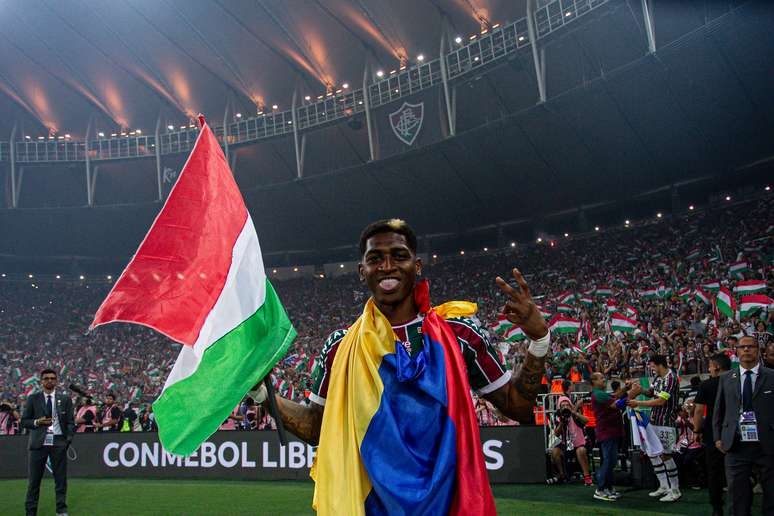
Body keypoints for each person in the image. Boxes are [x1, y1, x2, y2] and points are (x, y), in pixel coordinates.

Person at [252, 219, 549, 514]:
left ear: (416, 266)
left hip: (449, 505)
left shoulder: (460, 334)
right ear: (361, 271)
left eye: (399, 256)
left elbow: (518, 407)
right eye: (375, 259)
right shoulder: (340, 346)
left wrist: (539, 340)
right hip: (372, 507)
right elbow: (318, 427)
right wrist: (263, 395)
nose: (387, 266)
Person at [713, 335, 774, 516]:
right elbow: (719, 409)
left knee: (771, 494)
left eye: (751, 346)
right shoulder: (726, 378)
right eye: (742, 347)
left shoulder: (771, 376)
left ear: (758, 350)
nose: (746, 350)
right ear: (737, 351)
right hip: (736, 444)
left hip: (767, 444)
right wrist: (717, 437)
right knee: (737, 497)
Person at [627, 354, 682, 502]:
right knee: (653, 453)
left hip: (666, 422)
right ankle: (664, 486)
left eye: (652, 366)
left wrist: (638, 403)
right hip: (654, 421)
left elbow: (661, 401)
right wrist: (640, 390)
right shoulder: (658, 378)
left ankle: (675, 490)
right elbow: (651, 393)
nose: (651, 369)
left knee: (666, 454)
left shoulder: (671, 379)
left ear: (659, 365)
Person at [20, 368, 74, 516]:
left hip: (58, 441)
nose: (49, 380)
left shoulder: (65, 399)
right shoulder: (33, 398)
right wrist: (38, 422)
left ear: (56, 380)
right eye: (46, 378)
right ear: (41, 381)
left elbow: (70, 422)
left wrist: (67, 440)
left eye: (52, 378)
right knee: (34, 481)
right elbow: (24, 421)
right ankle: (31, 512)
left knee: (61, 480)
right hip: (38, 442)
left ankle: (61, 510)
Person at [692, 352, 730, 516]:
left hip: (714, 433)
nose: (708, 368)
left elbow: (699, 411)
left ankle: (717, 507)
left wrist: (696, 430)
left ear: (716, 366)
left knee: (714, 471)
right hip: (736, 431)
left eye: (710, 365)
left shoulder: (706, 385)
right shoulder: (737, 381)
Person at [589, 372, 638, 501]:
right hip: (607, 431)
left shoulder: (600, 394)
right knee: (608, 461)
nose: (604, 380)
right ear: (593, 381)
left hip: (611, 431)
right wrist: (633, 393)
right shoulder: (598, 394)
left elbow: (615, 396)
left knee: (611, 461)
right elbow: (616, 404)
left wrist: (627, 389)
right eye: (601, 378)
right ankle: (600, 489)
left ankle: (608, 488)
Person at [547, 395, 592, 486]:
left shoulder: (575, 414)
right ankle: (562, 474)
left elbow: (586, 420)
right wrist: (562, 422)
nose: (565, 407)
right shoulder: (559, 417)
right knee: (555, 452)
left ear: (570, 405)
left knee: (581, 450)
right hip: (565, 444)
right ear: (560, 408)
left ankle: (587, 476)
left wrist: (574, 413)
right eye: (563, 406)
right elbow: (556, 434)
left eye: (567, 405)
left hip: (579, 442)